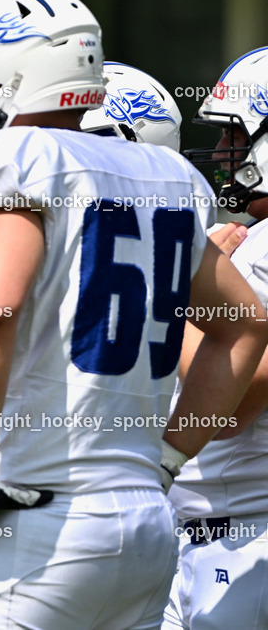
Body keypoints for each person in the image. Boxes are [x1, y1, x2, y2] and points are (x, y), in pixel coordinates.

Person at [0, 0, 268, 629]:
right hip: (145, 524)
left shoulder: (13, 158)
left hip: (33, 522)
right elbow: (245, 330)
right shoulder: (168, 177)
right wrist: (167, 459)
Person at [161, 46, 268, 629]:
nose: (224, 153)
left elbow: (238, 398)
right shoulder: (253, 238)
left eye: (237, 135)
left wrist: (178, 305)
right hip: (214, 537)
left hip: (242, 541)